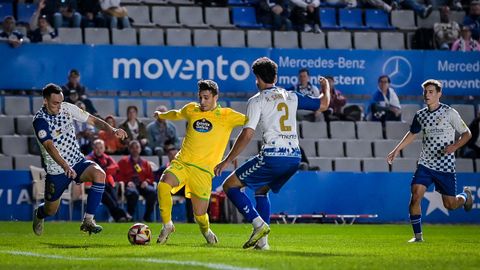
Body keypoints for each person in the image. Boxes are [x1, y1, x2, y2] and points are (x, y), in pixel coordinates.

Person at [214, 57, 330, 250]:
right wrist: (326, 87)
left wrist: (227, 160)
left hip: (273, 156)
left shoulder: (257, 100)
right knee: (261, 190)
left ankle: (258, 225)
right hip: (294, 157)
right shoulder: (291, 96)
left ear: (257, 78)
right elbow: (324, 104)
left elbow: (247, 134)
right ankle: (263, 244)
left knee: (229, 186)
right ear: (275, 76)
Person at [155, 79, 246, 245]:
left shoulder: (227, 115)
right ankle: (167, 224)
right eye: (200, 97)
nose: (202, 102)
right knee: (163, 184)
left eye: (206, 98)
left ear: (215, 97)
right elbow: (176, 114)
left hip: (203, 171)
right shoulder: (191, 109)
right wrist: (161, 116)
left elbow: (250, 121)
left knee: (200, 215)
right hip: (183, 162)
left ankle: (206, 231)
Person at [32, 83, 128, 236]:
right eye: (55, 103)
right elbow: (49, 146)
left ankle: (88, 220)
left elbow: (93, 121)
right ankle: (39, 213)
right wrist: (64, 166)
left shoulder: (67, 108)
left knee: (99, 174)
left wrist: (113, 130)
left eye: (61, 101)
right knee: (51, 210)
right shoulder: (40, 121)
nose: (59, 106)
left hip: (77, 161)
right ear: (45, 101)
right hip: (57, 169)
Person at [386, 79, 473, 243]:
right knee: (415, 195)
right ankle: (418, 237)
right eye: (425, 91)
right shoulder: (420, 115)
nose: (427, 95)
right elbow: (412, 134)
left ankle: (464, 196)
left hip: (445, 166)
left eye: (431, 91)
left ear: (439, 94)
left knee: (450, 204)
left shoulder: (449, 113)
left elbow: (467, 133)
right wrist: (396, 149)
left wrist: (455, 146)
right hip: (425, 164)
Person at [86, 139, 131, 222]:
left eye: (101, 147)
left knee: (113, 199)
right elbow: (92, 172)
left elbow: (116, 167)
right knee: (110, 200)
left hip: (107, 185)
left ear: (104, 148)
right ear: (93, 148)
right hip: (92, 186)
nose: (99, 150)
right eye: (96, 147)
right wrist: (106, 171)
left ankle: (119, 218)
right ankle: (123, 214)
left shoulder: (107, 158)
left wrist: (104, 169)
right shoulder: (89, 159)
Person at [117, 140, 156, 222]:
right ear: (129, 149)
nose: (135, 149)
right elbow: (118, 176)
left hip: (142, 185)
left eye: (137, 147)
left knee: (152, 192)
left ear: (140, 149)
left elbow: (151, 177)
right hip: (130, 186)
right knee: (133, 193)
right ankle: (130, 217)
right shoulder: (123, 162)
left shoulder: (145, 163)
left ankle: (147, 217)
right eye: (132, 148)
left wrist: (147, 182)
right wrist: (127, 182)